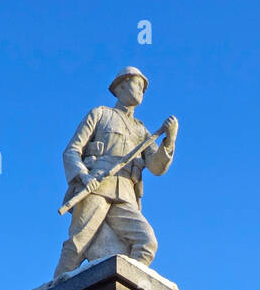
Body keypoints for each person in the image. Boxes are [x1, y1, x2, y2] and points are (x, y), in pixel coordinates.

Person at [53, 67, 178, 277]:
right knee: (77, 245)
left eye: (144, 89)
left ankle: (124, 286)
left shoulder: (142, 130)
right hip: (97, 187)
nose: (142, 91)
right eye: (138, 84)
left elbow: (157, 168)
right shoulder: (100, 114)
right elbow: (71, 151)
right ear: (121, 86)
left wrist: (170, 140)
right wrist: (84, 176)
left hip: (127, 195)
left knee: (146, 242)